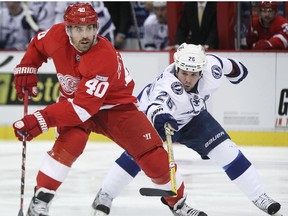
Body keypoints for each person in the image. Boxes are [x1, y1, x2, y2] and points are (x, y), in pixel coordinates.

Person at [12, 3, 207, 216]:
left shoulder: (103, 57)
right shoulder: (55, 35)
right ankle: (41, 198)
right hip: (77, 103)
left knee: (154, 157)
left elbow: (82, 110)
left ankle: (178, 203)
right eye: (78, 29)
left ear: (97, 28)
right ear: (67, 29)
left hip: (116, 107)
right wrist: (27, 66)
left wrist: (40, 119)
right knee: (70, 143)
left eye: (90, 28)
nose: (85, 35)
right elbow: (37, 46)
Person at [91, 43, 282, 216]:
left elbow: (229, 66)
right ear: (176, 68)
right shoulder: (166, 86)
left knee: (227, 150)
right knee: (138, 155)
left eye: (193, 74)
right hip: (153, 115)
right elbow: (155, 107)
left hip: (192, 117)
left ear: (201, 71)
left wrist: (237, 71)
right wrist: (162, 118)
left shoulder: (210, 68)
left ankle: (260, 196)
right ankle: (106, 194)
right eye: (184, 73)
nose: (188, 79)